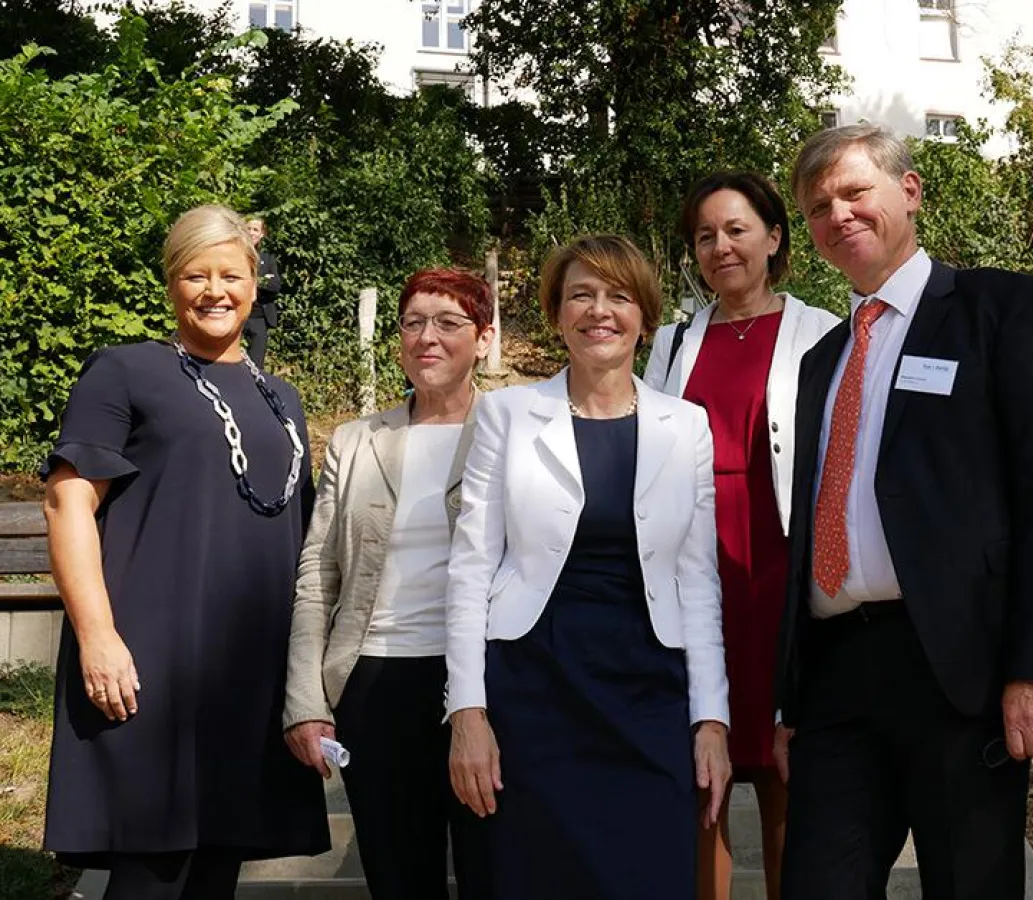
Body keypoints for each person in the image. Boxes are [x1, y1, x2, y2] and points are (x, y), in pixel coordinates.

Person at [774, 124, 1033, 900]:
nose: (838, 215)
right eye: (819, 207)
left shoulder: (994, 307)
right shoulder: (823, 360)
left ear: (909, 192)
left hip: (960, 672)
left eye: (855, 193)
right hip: (837, 678)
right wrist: (792, 698)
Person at [40, 204, 329, 900]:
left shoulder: (281, 398)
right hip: (150, 662)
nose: (214, 290)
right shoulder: (124, 372)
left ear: (255, 284)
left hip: (245, 671)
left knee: (216, 870)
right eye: (194, 275)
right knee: (153, 875)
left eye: (231, 274)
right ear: (171, 285)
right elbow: (67, 501)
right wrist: (98, 636)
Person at [446, 234, 731, 900]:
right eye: (580, 293)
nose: (598, 310)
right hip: (533, 685)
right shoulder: (506, 414)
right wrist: (468, 714)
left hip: (649, 689)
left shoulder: (686, 424)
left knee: (651, 876)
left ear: (643, 315)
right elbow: (469, 570)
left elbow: (698, 581)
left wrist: (711, 721)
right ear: (556, 312)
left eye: (618, 295)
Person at [644, 172, 839, 900]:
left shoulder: (822, 330)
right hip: (698, 571)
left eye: (736, 230)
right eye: (704, 236)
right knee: (704, 772)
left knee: (788, 769)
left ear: (775, 236)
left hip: (780, 568)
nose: (720, 247)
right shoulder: (672, 341)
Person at [283, 267, 496, 900]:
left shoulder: (517, 430)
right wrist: (306, 699)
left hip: (489, 686)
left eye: (449, 322)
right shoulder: (357, 440)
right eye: (413, 323)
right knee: (401, 878)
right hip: (376, 684)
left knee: (498, 870)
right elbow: (318, 576)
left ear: (484, 339)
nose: (427, 337)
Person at [243, 216, 281, 368]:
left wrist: (253, 280)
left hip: (259, 318)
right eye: (249, 228)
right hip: (237, 316)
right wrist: (263, 278)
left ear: (262, 234)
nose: (251, 232)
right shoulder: (235, 254)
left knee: (256, 365)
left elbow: (275, 286)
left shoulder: (268, 258)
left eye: (255, 229)